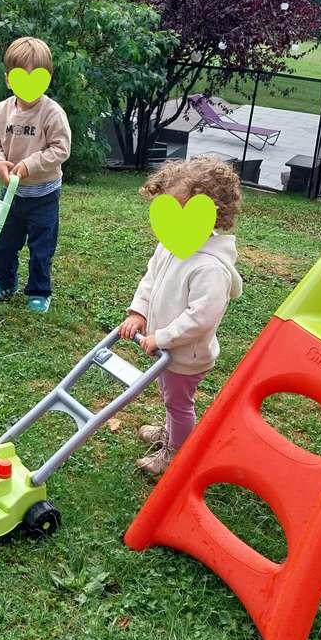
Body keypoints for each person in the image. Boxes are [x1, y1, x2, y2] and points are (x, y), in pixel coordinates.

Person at [119, 156, 243, 474]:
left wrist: (161, 337)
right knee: (169, 396)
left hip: (186, 354)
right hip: (164, 348)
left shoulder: (210, 267)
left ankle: (177, 452)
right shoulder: (170, 246)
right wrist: (138, 313)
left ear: (206, 213)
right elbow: (151, 280)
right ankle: (171, 431)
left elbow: (201, 318)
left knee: (178, 402)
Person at [0, 37, 71, 313]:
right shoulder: (1, 111)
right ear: (9, 79)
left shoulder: (52, 113)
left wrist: (30, 164)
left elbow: (61, 149)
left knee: (41, 248)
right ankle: (4, 280)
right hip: (9, 194)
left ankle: (39, 290)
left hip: (43, 195)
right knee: (1, 242)